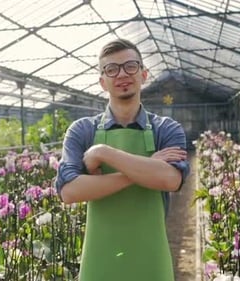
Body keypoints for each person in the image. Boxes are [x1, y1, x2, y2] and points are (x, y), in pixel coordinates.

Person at [54, 38, 190, 281]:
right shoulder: (81, 130)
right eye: (111, 69)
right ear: (102, 82)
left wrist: (103, 153)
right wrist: (145, 169)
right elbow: (69, 191)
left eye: (130, 66)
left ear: (144, 74)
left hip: (150, 257)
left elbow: (170, 179)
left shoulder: (166, 129)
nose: (122, 75)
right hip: (100, 259)